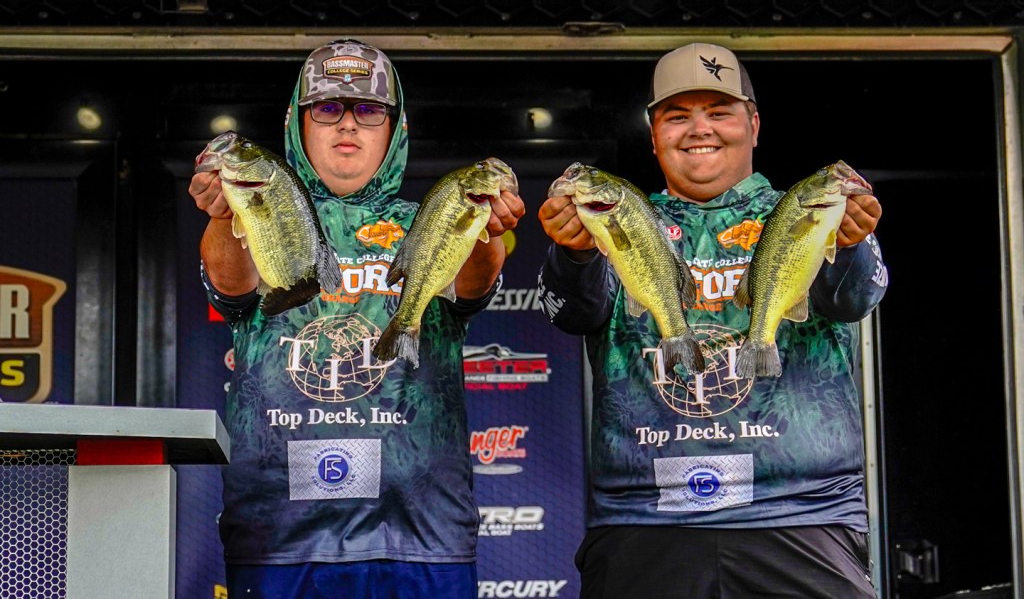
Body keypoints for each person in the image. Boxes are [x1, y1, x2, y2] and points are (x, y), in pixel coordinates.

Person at [537, 42, 887, 599]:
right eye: (677, 116)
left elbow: (855, 300)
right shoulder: (620, 215)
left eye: (719, 112)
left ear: (753, 124)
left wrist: (851, 243)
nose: (699, 129)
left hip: (802, 511)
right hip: (645, 517)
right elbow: (572, 312)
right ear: (654, 135)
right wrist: (574, 254)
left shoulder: (806, 209)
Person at [189, 38, 525, 599]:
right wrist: (227, 214)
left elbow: (471, 288)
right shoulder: (262, 206)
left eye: (368, 110)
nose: (348, 123)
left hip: (422, 530)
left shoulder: (434, 214)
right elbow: (230, 286)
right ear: (298, 123)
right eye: (328, 108)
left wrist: (484, 228)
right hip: (280, 534)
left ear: (395, 129)